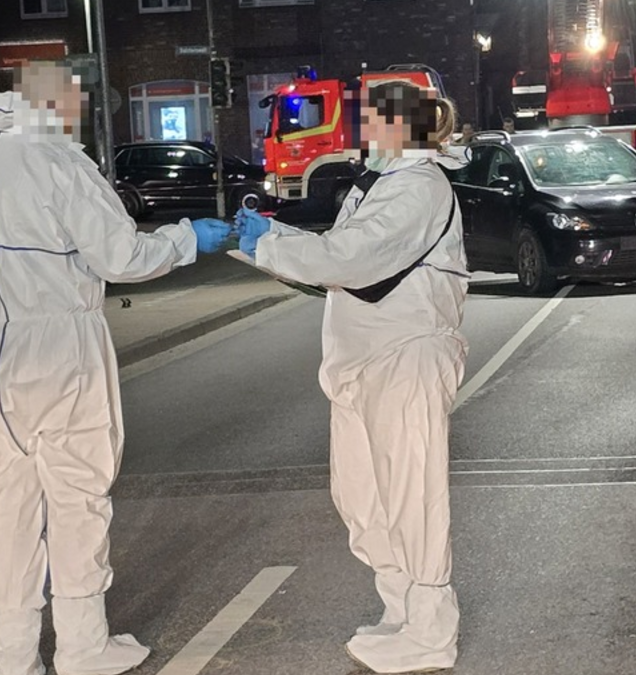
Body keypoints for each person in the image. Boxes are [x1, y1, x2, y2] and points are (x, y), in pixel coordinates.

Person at [0, 62, 232, 675]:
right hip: (60, 342)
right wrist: (187, 238)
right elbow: (121, 254)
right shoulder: (60, 163)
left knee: (8, 500)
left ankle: (12, 655)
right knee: (77, 493)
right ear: (51, 106)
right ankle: (83, 644)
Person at [236, 80, 469, 674]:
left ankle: (430, 631)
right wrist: (274, 238)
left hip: (405, 354)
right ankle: (401, 613)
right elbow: (341, 251)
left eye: (374, 120)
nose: (364, 132)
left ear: (404, 126)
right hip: (364, 359)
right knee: (364, 498)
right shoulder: (385, 184)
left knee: (412, 497)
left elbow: (355, 259)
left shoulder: (419, 186)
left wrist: (270, 244)